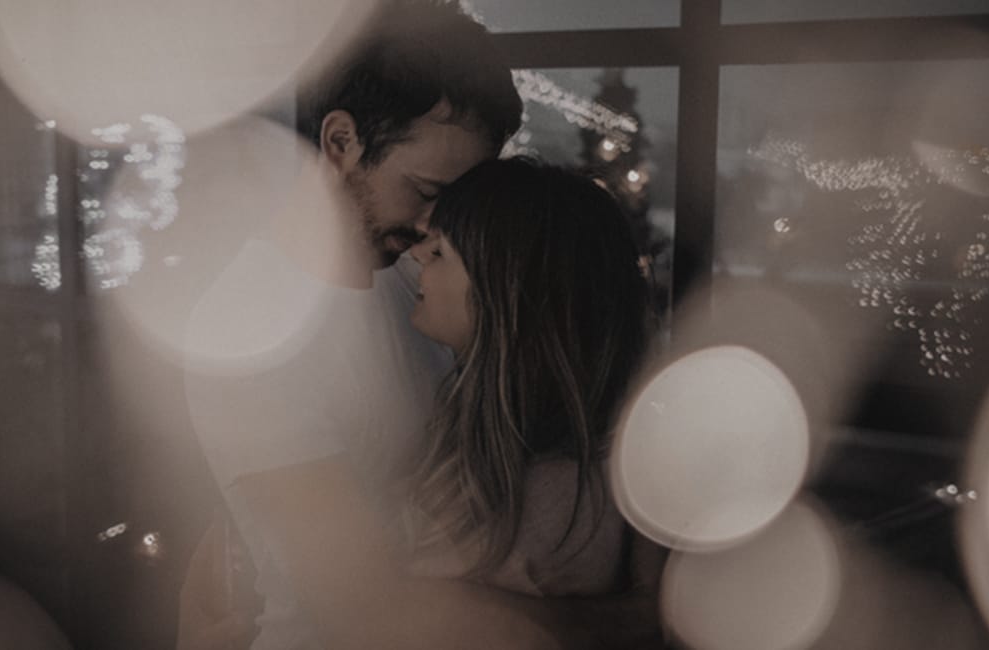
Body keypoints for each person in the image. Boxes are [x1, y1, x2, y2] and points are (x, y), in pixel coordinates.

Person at [177, 1, 664, 648]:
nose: (438, 230)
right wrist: (640, 620)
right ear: (341, 141)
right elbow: (369, 617)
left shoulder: (426, 277)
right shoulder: (247, 330)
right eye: (430, 192)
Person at [402, 157, 652, 598]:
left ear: (507, 293)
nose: (417, 252)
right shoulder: (499, 455)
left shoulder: (558, 502)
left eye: (440, 251)